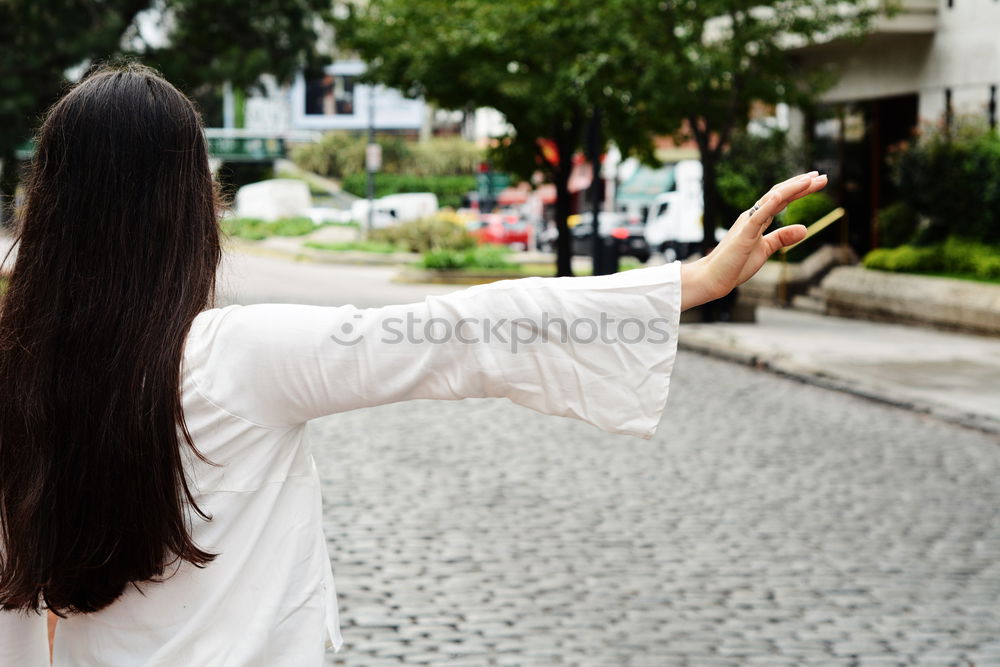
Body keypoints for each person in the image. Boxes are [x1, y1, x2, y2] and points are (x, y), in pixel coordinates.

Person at [0, 64, 826, 666]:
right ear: (185, 206)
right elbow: (467, 327)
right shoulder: (237, 357)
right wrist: (695, 279)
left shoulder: (19, 371)